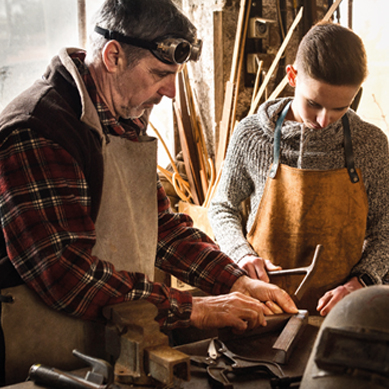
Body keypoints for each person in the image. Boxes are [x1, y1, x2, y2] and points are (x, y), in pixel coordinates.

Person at [0, 0, 297, 384]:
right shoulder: (39, 129)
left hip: (113, 338)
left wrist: (234, 279)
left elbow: (159, 226)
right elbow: (65, 275)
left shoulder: (122, 116)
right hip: (45, 349)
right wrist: (193, 309)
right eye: (160, 73)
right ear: (113, 56)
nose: (172, 92)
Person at [209, 21, 389, 316]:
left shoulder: (371, 144)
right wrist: (240, 254)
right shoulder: (251, 135)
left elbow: (386, 230)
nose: (323, 120)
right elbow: (222, 207)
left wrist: (363, 281)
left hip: (343, 312)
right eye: (314, 104)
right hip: (263, 307)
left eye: (339, 108)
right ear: (292, 76)